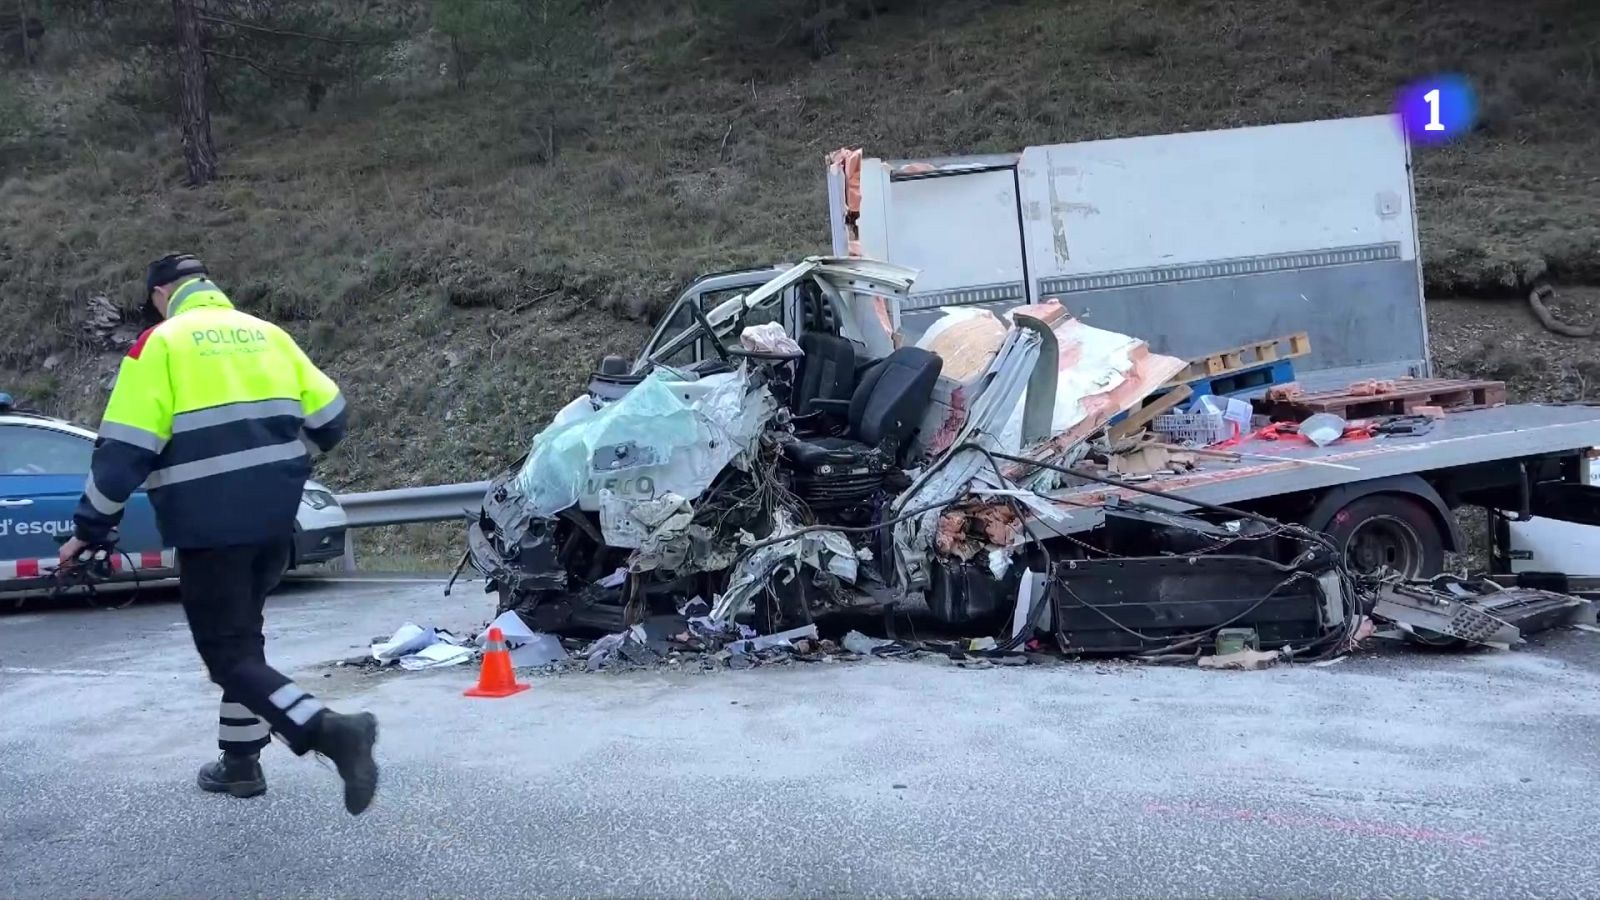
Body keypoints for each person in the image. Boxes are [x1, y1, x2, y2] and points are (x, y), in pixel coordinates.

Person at [58, 253, 380, 815]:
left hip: (211, 529)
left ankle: (328, 730)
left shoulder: (160, 343)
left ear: (161, 295)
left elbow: (124, 450)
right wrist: (282, 465)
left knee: (228, 655)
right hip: (276, 524)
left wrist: (89, 528)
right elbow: (331, 420)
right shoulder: (268, 335)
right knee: (244, 642)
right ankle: (240, 761)